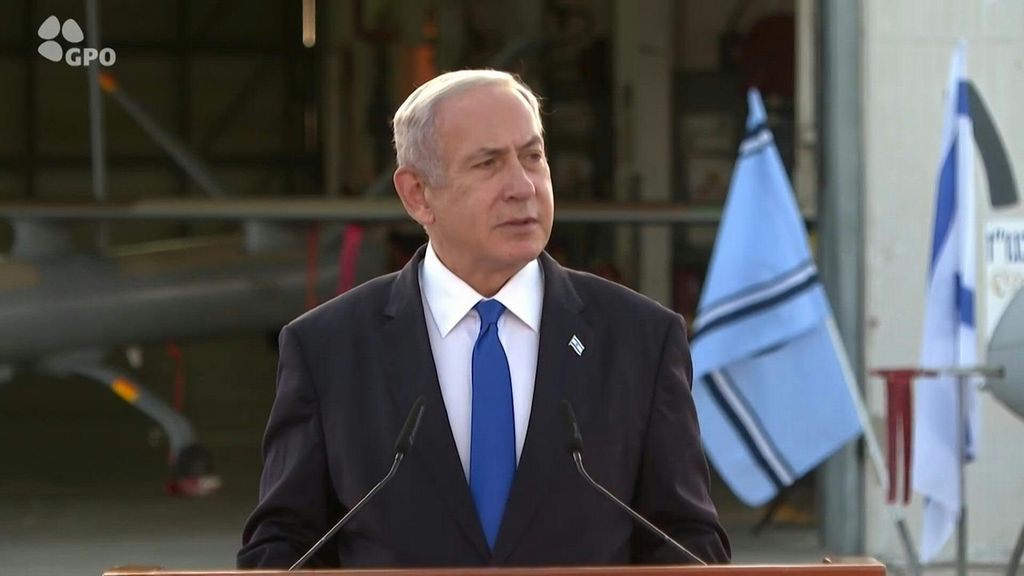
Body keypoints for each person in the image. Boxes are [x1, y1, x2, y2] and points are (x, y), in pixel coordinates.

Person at [238, 69, 730, 568]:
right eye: (488, 164)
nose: (523, 186)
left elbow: (687, 540)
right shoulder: (328, 348)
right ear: (417, 194)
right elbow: (284, 544)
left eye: (533, 156)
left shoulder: (640, 338)